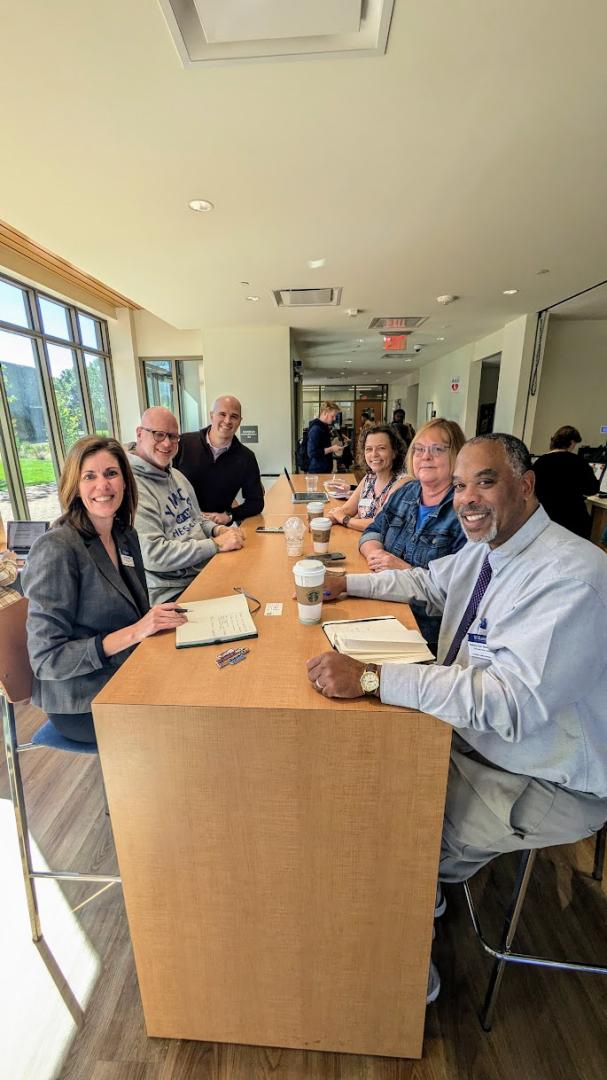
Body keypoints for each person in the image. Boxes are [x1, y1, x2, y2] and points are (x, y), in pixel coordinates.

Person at [307, 434, 607, 884]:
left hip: (541, 774)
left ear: (526, 485)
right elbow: (428, 584)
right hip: (473, 736)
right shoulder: (490, 546)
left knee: (399, 832)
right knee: (370, 780)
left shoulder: (569, 577)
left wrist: (371, 679)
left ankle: (411, 926)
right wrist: (346, 584)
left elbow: (504, 702)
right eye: (462, 485)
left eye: (485, 483)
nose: (467, 499)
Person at [22, 436, 188, 744]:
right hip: (83, 700)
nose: (103, 485)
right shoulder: (57, 548)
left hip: (129, 670)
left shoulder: (125, 535)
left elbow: (136, 615)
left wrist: (154, 621)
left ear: (125, 480)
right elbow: (46, 659)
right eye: (90, 476)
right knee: (185, 721)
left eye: (111, 473)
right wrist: (136, 631)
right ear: (75, 486)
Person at [359, 418, 466, 649]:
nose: (425, 456)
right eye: (419, 449)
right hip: (384, 602)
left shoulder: (464, 510)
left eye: (437, 449)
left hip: (426, 632)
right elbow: (374, 529)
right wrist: (374, 552)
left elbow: (458, 593)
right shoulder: (406, 492)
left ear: (457, 455)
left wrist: (405, 570)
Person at [127, 407, 244, 604]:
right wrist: (214, 544)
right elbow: (155, 555)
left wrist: (217, 530)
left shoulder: (177, 476)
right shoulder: (132, 488)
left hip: (203, 571)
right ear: (140, 433)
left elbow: (196, 519)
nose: (167, 443)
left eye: (173, 437)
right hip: (173, 593)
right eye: (159, 434)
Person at [174, 395, 264, 524]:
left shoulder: (246, 457)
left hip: (218, 530)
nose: (227, 421)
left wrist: (229, 515)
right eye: (222, 414)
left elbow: (256, 502)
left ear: (240, 421)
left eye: (234, 416)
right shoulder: (183, 444)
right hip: (180, 528)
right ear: (212, 416)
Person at [327, 425, 409, 533]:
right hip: (361, 541)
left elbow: (379, 524)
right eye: (369, 449)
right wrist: (327, 520)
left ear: (394, 452)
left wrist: (345, 519)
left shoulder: (403, 483)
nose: (374, 454)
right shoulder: (370, 478)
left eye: (381, 448)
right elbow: (347, 509)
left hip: (384, 548)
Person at [532, 424, 599, 538]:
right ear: (572, 442)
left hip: (545, 520)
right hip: (573, 521)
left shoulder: (539, 462)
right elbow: (592, 489)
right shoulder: (578, 462)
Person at [306, 402, 347, 473]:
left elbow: (323, 445)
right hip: (317, 471)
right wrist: (332, 449)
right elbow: (312, 453)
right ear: (325, 413)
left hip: (324, 469)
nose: (334, 419)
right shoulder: (316, 429)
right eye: (332, 416)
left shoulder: (324, 427)